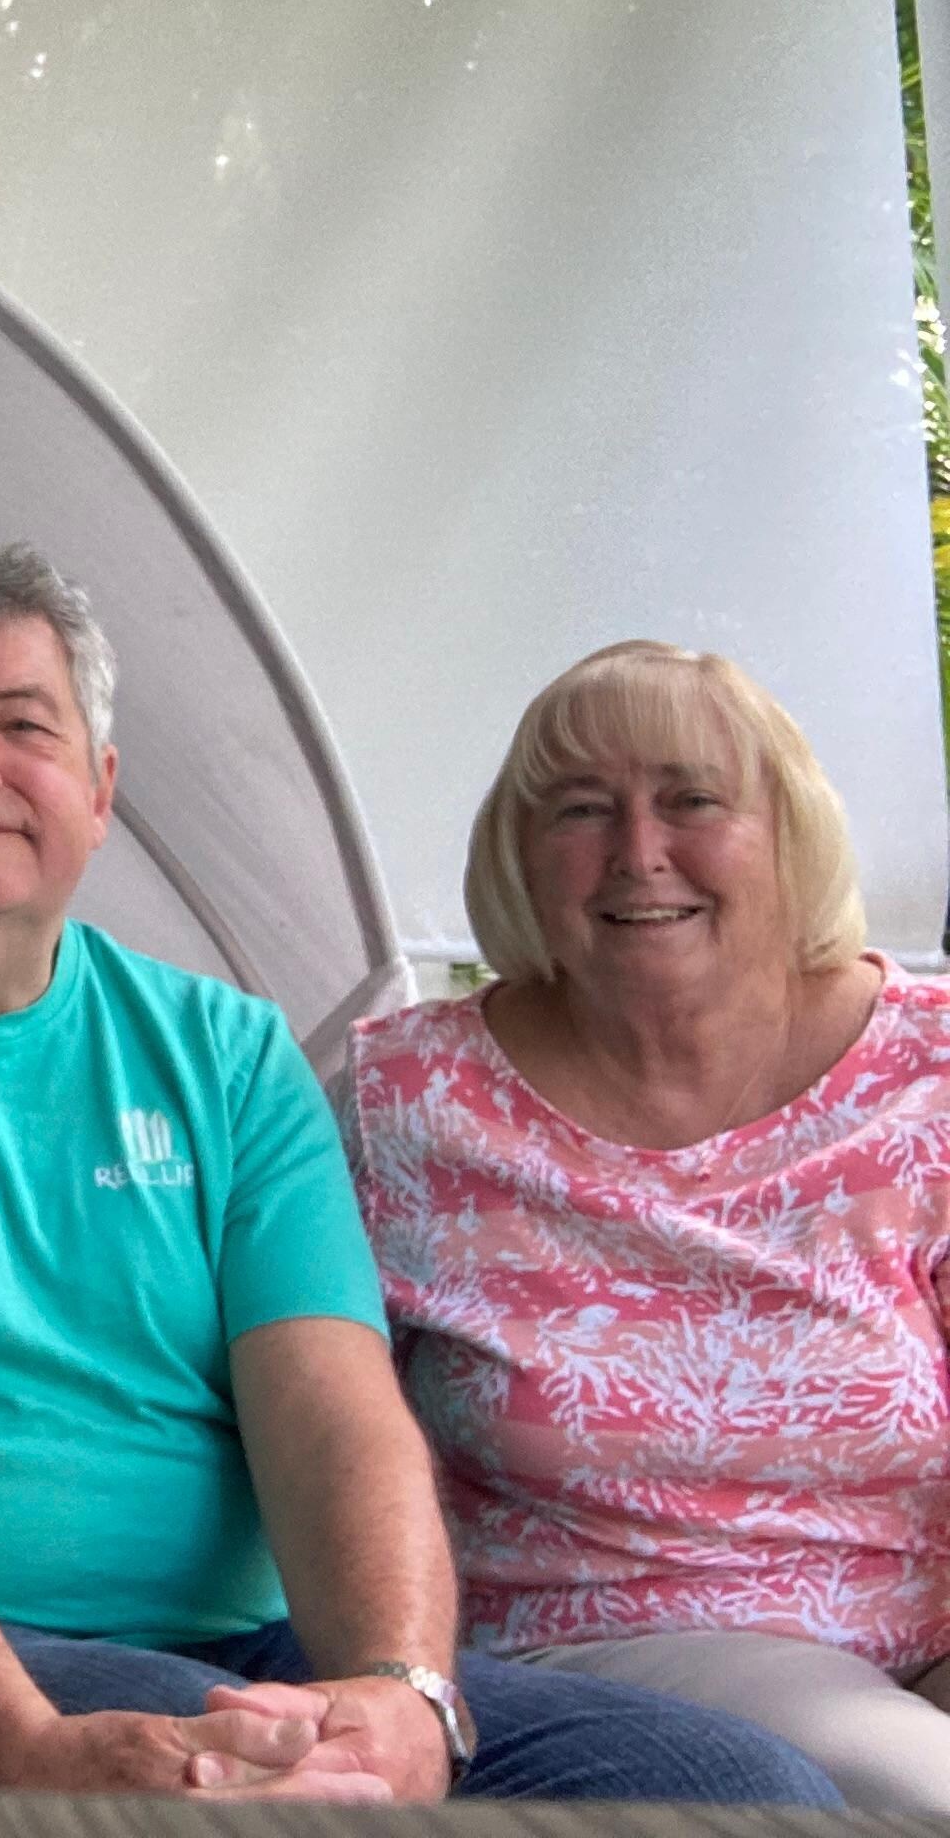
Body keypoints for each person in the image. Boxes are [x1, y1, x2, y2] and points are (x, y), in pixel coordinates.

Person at [0, 538, 840, 1806]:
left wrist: (402, 1691)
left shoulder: (229, 1052)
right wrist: (24, 1757)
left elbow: (335, 1411)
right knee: (252, 1802)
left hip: (228, 1657)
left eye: (23, 723)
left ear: (99, 787)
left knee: (746, 1790)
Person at [343, 640, 950, 1810]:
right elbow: (290, 1412)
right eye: (581, 809)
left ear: (789, 832)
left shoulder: (927, 1074)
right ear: (518, 855)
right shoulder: (405, 1103)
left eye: (691, 801)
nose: (637, 852)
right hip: (598, 1661)